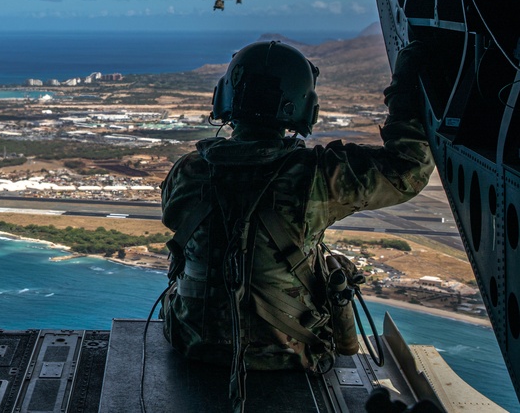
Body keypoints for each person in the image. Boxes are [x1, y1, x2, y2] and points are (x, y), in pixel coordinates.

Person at [159, 40, 434, 410]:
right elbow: (408, 169)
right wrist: (406, 87)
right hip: (291, 355)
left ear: (224, 99)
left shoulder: (188, 172)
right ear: (306, 108)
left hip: (191, 341)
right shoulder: (316, 176)